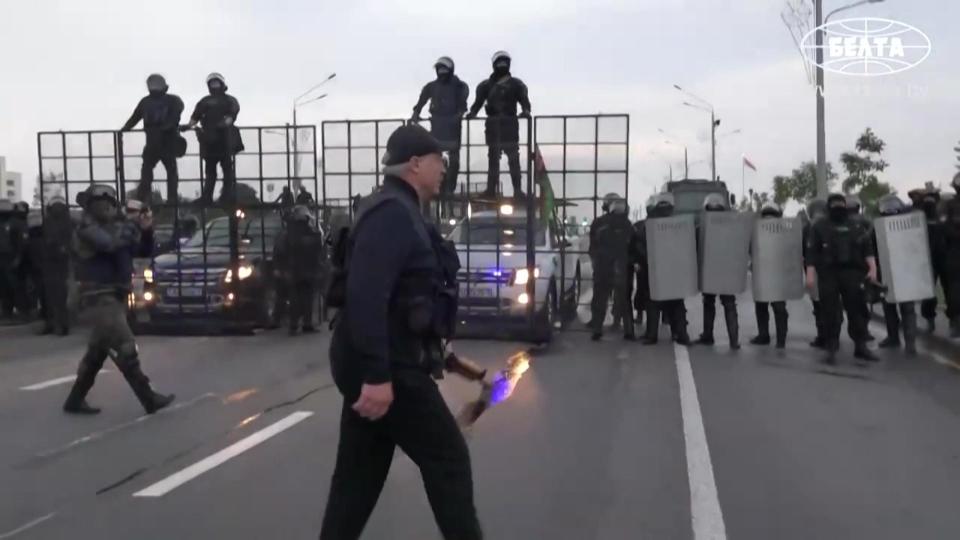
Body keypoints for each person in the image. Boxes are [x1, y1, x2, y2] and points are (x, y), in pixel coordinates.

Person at [320, 124, 482, 540]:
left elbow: (405, 300)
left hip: (388, 360)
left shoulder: (406, 210)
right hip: (387, 366)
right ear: (415, 164)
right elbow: (366, 295)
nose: (444, 167)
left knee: (358, 478)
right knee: (448, 459)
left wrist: (442, 356)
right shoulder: (391, 213)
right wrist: (377, 376)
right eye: (438, 160)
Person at [62, 186, 174, 415]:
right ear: (90, 206)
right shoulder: (86, 227)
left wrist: (146, 228)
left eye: (109, 202)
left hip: (113, 295)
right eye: (100, 202)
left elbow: (142, 249)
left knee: (98, 350)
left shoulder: (117, 228)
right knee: (125, 344)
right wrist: (132, 224)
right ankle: (148, 397)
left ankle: (75, 399)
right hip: (96, 296)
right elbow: (109, 244)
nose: (106, 206)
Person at [805, 193, 878, 365]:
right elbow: (811, 252)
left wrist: (873, 269)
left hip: (853, 272)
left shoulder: (855, 225)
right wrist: (810, 275)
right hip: (828, 274)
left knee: (857, 310)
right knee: (830, 311)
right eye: (834, 204)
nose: (838, 207)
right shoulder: (819, 226)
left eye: (841, 204)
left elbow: (867, 249)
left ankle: (860, 347)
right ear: (828, 207)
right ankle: (831, 348)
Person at [466, 51, 531, 200]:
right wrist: (473, 113)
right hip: (494, 127)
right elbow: (477, 103)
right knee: (493, 160)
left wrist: (526, 111)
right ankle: (491, 190)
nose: (502, 65)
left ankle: (517, 190)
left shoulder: (516, 84)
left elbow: (524, 101)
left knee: (513, 159)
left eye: (504, 62)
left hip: (509, 125)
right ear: (494, 64)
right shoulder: (485, 86)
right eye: (499, 63)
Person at [411, 56, 469, 208]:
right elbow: (421, 100)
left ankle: (449, 188)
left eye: (444, 70)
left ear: (450, 70)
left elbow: (463, 105)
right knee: (434, 160)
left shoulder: (459, 86)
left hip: (453, 129)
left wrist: (458, 115)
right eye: (439, 69)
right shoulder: (431, 86)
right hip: (437, 128)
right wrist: (416, 112)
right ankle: (435, 187)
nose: (441, 72)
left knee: (454, 160)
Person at [120, 74, 185, 205]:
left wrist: (166, 128)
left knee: (169, 171)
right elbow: (135, 117)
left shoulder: (172, 100)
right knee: (148, 171)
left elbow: (174, 117)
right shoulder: (146, 102)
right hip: (153, 142)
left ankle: (170, 198)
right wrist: (125, 128)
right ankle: (143, 196)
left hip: (166, 141)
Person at [185, 72, 242, 205]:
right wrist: (187, 126)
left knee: (227, 169)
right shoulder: (204, 101)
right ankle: (207, 196)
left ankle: (227, 196)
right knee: (210, 171)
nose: (214, 86)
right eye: (212, 84)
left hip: (224, 139)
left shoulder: (230, 100)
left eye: (216, 83)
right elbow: (195, 117)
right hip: (209, 140)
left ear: (222, 84)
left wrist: (225, 123)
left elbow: (232, 114)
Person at [641, 194, 691, 346]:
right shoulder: (679, 222)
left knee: (654, 303)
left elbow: (641, 244)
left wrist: (646, 261)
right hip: (674, 269)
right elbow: (687, 245)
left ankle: (652, 335)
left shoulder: (649, 223)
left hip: (656, 269)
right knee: (677, 303)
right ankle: (681, 334)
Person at [874, 195, 918, 355]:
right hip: (887, 271)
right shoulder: (877, 226)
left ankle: (910, 342)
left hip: (905, 271)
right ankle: (895, 338)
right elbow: (869, 246)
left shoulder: (910, 225)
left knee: (906, 308)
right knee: (890, 306)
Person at [695, 193, 740, 350]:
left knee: (709, 303)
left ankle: (708, 335)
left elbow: (695, 249)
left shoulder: (701, 228)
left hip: (709, 270)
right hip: (727, 271)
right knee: (729, 304)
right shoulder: (732, 227)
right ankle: (734, 341)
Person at [588, 193, 635, 341]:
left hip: (603, 266)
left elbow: (592, 246)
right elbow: (633, 246)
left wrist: (595, 261)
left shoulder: (598, 223)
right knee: (623, 299)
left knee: (600, 298)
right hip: (621, 266)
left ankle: (597, 329)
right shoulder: (628, 225)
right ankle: (628, 330)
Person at [273, 205, 323, 335]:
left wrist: (281, 268)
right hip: (304, 270)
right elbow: (318, 251)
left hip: (295, 270)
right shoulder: (311, 233)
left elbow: (280, 252)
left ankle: (295, 325)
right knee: (305, 298)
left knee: (297, 299)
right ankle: (304, 324)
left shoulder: (287, 233)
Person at [751, 202, 789, 349]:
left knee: (776, 307)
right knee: (764, 305)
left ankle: (777, 339)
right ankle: (767, 336)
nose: (769, 219)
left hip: (775, 272)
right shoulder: (756, 230)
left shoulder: (785, 231)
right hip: (764, 271)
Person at [41, 195, 74, 335]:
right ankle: (62, 325)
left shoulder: (48, 220)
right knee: (61, 294)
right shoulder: (68, 221)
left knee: (50, 294)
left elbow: (46, 239)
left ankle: (52, 324)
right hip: (62, 261)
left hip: (51, 261)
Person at [917, 190, 947, 334]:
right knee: (928, 293)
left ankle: (954, 320)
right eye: (927, 199)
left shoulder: (944, 216)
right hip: (927, 260)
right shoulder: (919, 218)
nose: (929, 201)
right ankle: (930, 320)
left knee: (951, 291)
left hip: (945, 259)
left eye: (932, 198)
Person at [804, 198, 829, 349]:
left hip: (814, 271)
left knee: (818, 306)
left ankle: (822, 337)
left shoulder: (808, 228)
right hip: (832, 272)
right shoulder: (832, 224)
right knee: (831, 306)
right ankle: (832, 337)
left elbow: (803, 251)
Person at [944, 174, 960, 338]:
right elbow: (945, 228)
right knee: (954, 291)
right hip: (954, 251)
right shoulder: (948, 205)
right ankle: (955, 322)